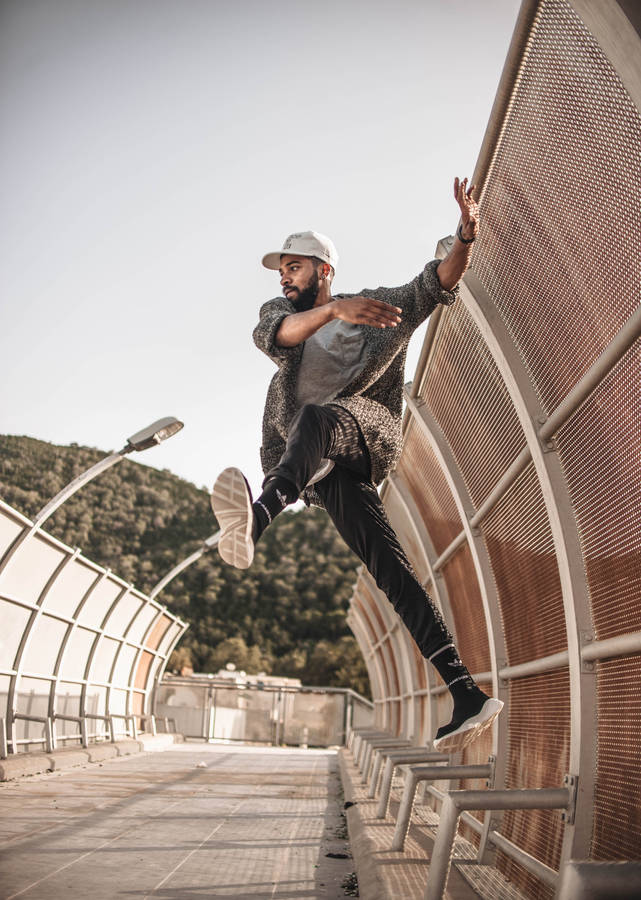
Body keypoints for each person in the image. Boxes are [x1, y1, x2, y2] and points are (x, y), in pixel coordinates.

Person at [211, 177, 503, 752]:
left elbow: (435, 282)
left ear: (323, 268)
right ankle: (467, 692)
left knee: (320, 418)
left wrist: (466, 236)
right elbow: (276, 335)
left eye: (293, 269)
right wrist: (332, 311)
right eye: (281, 272)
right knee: (392, 572)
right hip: (315, 466)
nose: (284, 280)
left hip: (361, 438)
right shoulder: (282, 314)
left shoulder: (375, 311)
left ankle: (260, 516)